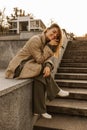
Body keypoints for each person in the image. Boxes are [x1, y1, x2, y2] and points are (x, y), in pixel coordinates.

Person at [5, 23, 69, 119]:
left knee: (41, 75)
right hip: (17, 68)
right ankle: (55, 91)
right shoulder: (36, 40)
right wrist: (49, 49)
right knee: (41, 69)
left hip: (29, 66)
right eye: (54, 32)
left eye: (57, 36)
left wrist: (48, 65)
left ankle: (39, 110)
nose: (55, 35)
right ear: (47, 30)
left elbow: (44, 59)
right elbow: (39, 59)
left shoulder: (44, 43)